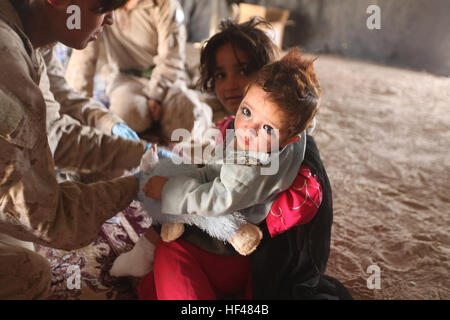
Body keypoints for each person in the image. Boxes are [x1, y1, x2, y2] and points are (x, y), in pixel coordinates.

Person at [136, 18, 352, 300]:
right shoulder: (252, 130)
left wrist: (170, 191)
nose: (231, 85)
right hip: (243, 245)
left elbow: (226, 195)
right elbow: (218, 170)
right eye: (221, 75)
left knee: (171, 250)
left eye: (243, 70)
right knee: (149, 287)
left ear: (268, 73)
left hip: (259, 260)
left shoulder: (285, 149)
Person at [0, 0, 145, 299]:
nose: (111, 21)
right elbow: (45, 217)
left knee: (19, 243)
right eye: (104, 7)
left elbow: (51, 130)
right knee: (29, 273)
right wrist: (139, 186)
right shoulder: (7, 63)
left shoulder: (31, 31)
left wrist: (139, 153)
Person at [65, 0, 213, 141]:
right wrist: (79, 107)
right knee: (127, 117)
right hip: (126, 78)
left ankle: (202, 103)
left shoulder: (164, 5)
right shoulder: (104, 4)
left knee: (187, 119)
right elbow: (84, 57)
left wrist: (156, 95)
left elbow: (171, 58)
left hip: (167, 77)